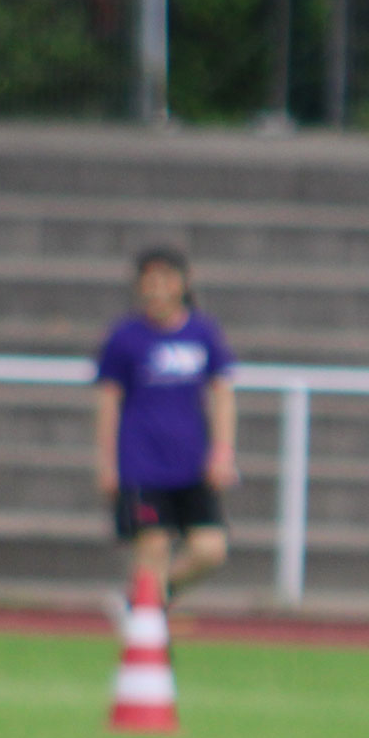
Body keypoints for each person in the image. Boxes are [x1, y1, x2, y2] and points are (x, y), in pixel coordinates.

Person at [93, 247, 237, 610]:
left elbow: (222, 394)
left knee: (210, 549)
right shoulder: (125, 337)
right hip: (142, 462)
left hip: (191, 461)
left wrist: (222, 451)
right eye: (149, 281)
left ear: (182, 284)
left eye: (165, 280)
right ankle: (148, 640)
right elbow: (108, 402)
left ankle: (145, 602)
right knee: (152, 546)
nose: (157, 289)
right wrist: (107, 462)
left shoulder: (203, 333)